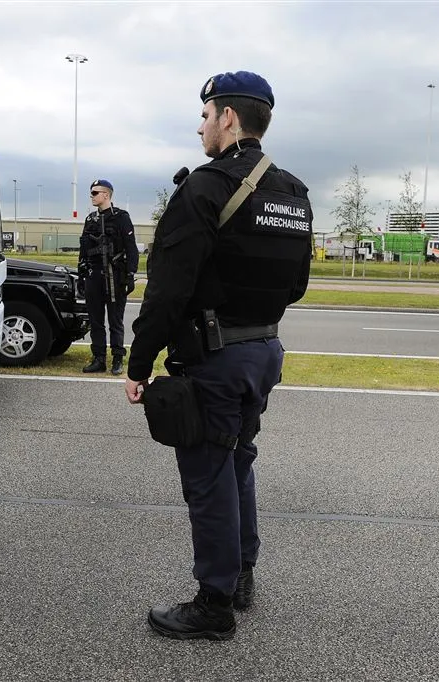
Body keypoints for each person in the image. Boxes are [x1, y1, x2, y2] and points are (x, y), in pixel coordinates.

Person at [124, 72, 313, 640]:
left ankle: (213, 605)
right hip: (264, 350)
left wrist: (138, 365)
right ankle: (242, 574)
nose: (201, 124)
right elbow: (298, 285)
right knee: (238, 461)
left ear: (229, 118)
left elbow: (167, 290)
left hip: (215, 358)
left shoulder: (204, 187)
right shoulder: (294, 192)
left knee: (208, 476)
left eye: (206, 114)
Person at [78, 179, 138, 375]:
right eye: (91, 193)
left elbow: (131, 247)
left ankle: (118, 359)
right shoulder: (90, 220)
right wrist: (81, 275)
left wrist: (130, 274)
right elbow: (84, 249)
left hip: (115, 275)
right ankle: (99, 359)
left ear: (106, 195)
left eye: (95, 193)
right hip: (94, 275)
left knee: (115, 320)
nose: (92, 196)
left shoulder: (121, 217)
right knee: (95, 320)